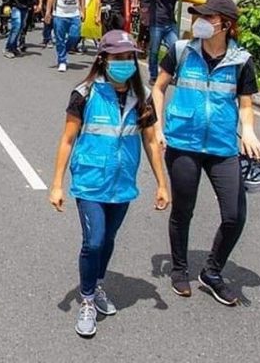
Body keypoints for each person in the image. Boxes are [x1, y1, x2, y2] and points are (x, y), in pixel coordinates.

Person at [49, 30, 169, 336]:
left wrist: (161, 184)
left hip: (122, 184)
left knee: (109, 239)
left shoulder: (141, 96)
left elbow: (151, 141)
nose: (125, 62)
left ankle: (97, 283)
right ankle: (87, 299)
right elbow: (67, 139)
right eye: (118, 57)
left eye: (129, 57)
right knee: (94, 241)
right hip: (89, 181)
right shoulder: (85, 93)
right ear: (103, 59)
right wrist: (57, 184)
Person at [150, 0, 260, 306]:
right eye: (199, 16)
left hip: (222, 146)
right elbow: (158, 88)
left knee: (234, 215)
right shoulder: (181, 50)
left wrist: (248, 131)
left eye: (208, 17)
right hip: (182, 143)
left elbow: (246, 104)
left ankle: (212, 272)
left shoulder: (242, 60)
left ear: (226, 24)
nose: (200, 22)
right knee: (183, 210)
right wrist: (158, 126)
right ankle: (179, 269)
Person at [146, 0, 182, 85]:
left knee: (176, 48)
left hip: (170, 24)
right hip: (156, 24)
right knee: (154, 51)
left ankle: (171, 75)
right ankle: (153, 76)